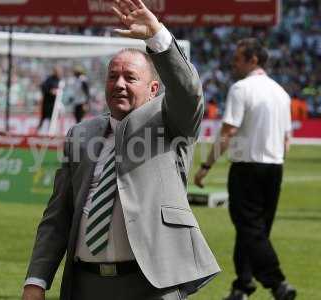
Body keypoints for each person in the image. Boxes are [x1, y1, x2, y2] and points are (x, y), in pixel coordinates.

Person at [22, 1, 220, 300]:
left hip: (152, 285)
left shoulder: (170, 124)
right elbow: (58, 215)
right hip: (87, 284)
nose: (120, 84)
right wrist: (36, 280)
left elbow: (188, 92)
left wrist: (156, 35)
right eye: (113, 76)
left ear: (154, 89)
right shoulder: (81, 134)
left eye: (130, 77)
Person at [194, 38, 296, 300]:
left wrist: (206, 165)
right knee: (254, 230)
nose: (233, 62)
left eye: (238, 58)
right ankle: (242, 287)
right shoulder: (281, 93)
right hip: (274, 168)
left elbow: (228, 131)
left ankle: (277, 283)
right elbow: (287, 141)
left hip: (247, 168)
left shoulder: (241, 89)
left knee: (250, 229)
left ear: (253, 60)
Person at [37, 66, 62, 132]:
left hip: (55, 104)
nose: (59, 73)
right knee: (45, 118)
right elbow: (43, 87)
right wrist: (51, 91)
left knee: (54, 119)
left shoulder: (60, 80)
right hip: (48, 103)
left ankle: (52, 132)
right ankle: (40, 131)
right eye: (57, 71)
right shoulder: (49, 79)